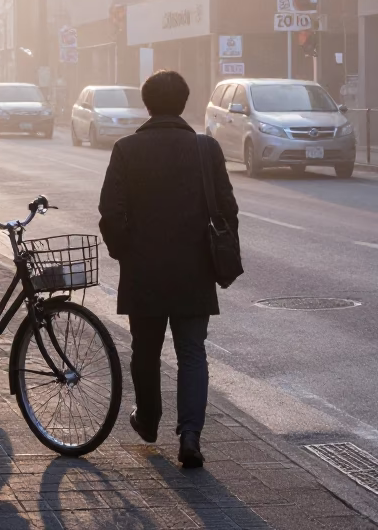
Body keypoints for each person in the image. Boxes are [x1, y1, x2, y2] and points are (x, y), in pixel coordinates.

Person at [98, 70, 239, 469]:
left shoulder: (126, 148)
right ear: (184, 102)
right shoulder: (205, 148)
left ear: (147, 104)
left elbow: (111, 212)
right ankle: (190, 435)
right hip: (195, 268)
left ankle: (148, 419)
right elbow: (228, 209)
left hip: (144, 270)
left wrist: (125, 252)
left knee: (145, 350)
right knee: (192, 352)